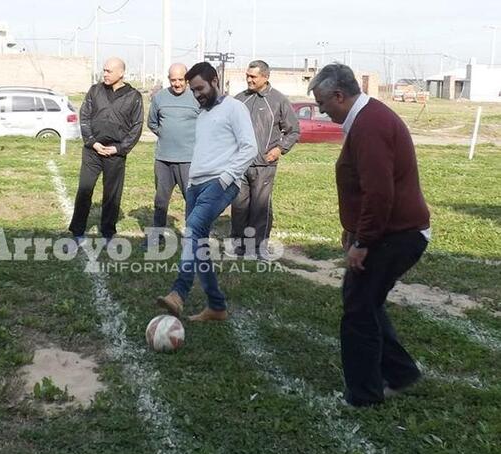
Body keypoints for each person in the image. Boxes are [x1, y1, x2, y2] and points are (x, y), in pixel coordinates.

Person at [308, 63, 431, 407]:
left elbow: (379, 194)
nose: (321, 110)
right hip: (392, 232)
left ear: (339, 95)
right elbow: (367, 190)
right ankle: (401, 371)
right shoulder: (366, 119)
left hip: (397, 235)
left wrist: (363, 242)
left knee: (359, 309)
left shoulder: (370, 125)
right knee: (366, 301)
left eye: (323, 103)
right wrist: (353, 231)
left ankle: (363, 394)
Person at [157, 62, 257, 322]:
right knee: (198, 243)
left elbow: (249, 147)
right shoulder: (202, 115)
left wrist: (225, 178)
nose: (197, 94)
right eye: (193, 90)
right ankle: (216, 306)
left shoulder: (235, 108)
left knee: (193, 228)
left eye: (200, 87)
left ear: (215, 80)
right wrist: (191, 184)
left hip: (220, 183)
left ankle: (179, 293)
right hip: (197, 185)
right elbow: (202, 152)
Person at [68, 58, 143, 242]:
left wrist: (118, 148)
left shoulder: (133, 96)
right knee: (85, 190)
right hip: (92, 151)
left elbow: (136, 127)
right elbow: (84, 116)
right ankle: (77, 230)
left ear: (121, 73)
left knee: (112, 194)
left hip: (115, 154)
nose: (105, 74)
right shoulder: (95, 91)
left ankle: (108, 232)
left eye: (109, 71)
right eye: (104, 71)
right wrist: (92, 142)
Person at [231, 60, 300, 258]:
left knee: (260, 207)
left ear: (265, 77)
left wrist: (280, 149)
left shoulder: (278, 100)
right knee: (238, 205)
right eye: (247, 75)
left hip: (264, 164)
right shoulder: (239, 99)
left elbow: (293, 131)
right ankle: (238, 246)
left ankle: (258, 248)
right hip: (240, 165)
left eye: (253, 76)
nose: (249, 80)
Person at [145, 63, 200, 248]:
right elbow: (152, 122)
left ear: (187, 79)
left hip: (188, 161)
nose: (176, 84)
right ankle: (156, 236)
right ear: (168, 79)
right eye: (173, 80)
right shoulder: (160, 97)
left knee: (191, 201)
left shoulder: (196, 97)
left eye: (180, 80)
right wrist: (166, 134)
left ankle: (193, 238)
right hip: (163, 160)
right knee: (161, 200)